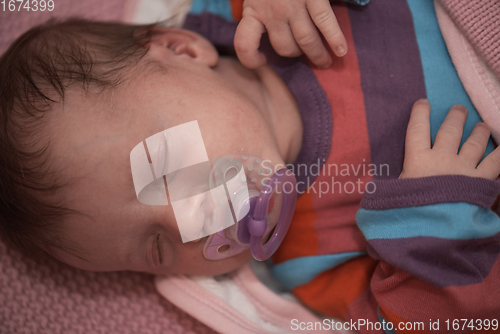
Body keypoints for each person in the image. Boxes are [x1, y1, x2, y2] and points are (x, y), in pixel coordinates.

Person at [0, 0, 498, 332]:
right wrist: (435, 228)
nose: (187, 222)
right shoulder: (306, 263)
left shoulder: (259, 17)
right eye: (158, 248)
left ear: (181, 49)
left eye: (162, 169)